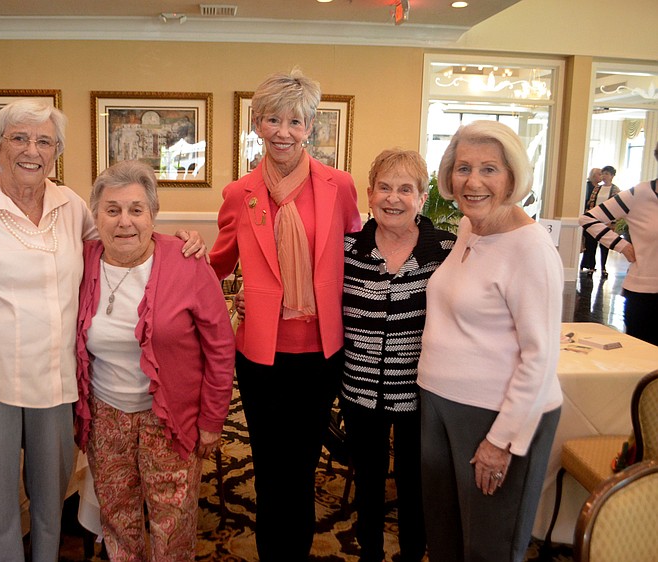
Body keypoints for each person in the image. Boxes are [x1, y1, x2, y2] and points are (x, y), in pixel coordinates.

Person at [0, 99, 205, 562]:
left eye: (44, 141)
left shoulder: (68, 204)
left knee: (51, 500)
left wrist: (179, 243)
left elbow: (120, 236)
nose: (32, 150)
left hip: (55, 380)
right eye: (20, 138)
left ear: (56, 151)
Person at [209, 69, 361, 560]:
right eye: (271, 119)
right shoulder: (240, 192)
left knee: (303, 464)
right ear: (256, 123)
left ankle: (293, 550)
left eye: (294, 121)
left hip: (321, 352)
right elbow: (220, 262)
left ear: (310, 127)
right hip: (260, 354)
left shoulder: (339, 186)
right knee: (270, 464)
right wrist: (174, 253)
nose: (282, 131)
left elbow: (358, 254)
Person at [417, 120, 563, 562]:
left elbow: (540, 358)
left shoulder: (530, 248)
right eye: (463, 168)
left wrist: (501, 441)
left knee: (489, 546)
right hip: (440, 404)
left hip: (495, 413)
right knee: (444, 536)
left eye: (489, 169)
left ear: (512, 176)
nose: (473, 181)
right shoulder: (469, 227)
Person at [74, 159, 234, 561]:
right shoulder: (81, 261)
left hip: (171, 418)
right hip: (105, 416)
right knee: (117, 517)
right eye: (112, 210)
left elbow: (220, 346)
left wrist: (212, 419)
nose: (124, 221)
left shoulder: (186, 261)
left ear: (153, 216)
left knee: (172, 524)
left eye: (136, 209)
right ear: (97, 216)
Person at [342, 149, 455, 562]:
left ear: (422, 198)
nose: (394, 198)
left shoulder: (447, 249)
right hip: (358, 388)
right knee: (368, 480)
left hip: (421, 392)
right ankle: (369, 551)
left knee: (416, 483)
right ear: (369, 195)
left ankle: (412, 552)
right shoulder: (346, 249)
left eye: (405, 189)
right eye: (385, 188)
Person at [579, 144, 658, 346]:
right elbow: (588, 219)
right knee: (643, 364)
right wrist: (622, 246)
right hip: (645, 295)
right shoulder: (640, 194)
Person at [581, 165, 620, 277]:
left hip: (608, 222)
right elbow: (591, 203)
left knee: (604, 245)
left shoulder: (615, 190)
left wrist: (610, 220)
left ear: (612, 176)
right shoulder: (597, 188)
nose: (604, 176)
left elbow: (616, 207)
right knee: (591, 244)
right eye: (603, 174)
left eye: (607, 174)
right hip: (594, 220)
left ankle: (603, 267)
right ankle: (591, 266)